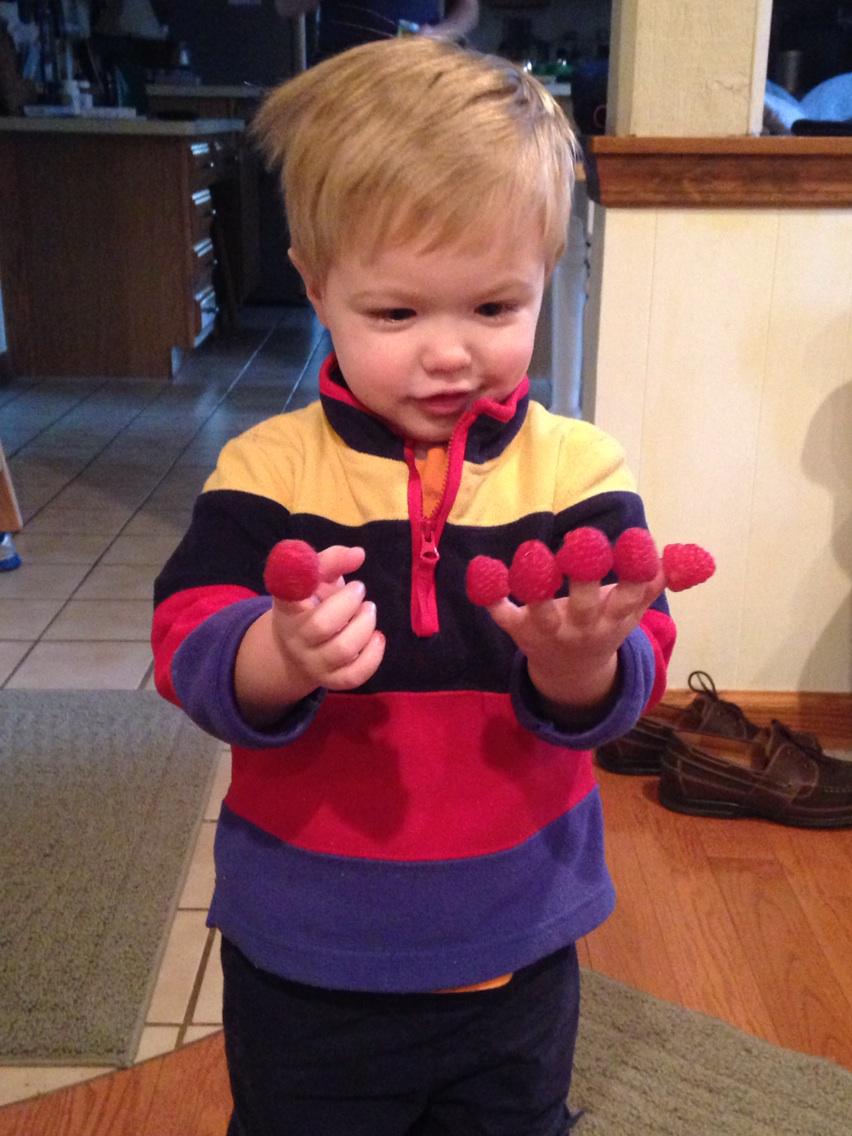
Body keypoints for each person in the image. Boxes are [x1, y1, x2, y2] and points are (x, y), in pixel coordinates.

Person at [152, 36, 676, 1136]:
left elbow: (638, 659)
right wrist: (274, 655)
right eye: (398, 315)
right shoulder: (267, 472)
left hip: (516, 944)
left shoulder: (579, 472)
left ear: (550, 278)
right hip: (307, 956)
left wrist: (585, 663)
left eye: (495, 309)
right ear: (317, 286)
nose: (450, 354)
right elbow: (185, 634)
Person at [274, 0, 480, 60]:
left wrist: (439, 35)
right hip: (341, 76)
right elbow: (285, 7)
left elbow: (469, 8)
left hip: (415, 74)